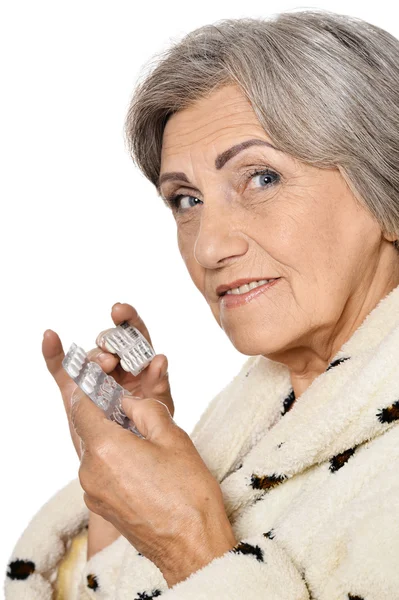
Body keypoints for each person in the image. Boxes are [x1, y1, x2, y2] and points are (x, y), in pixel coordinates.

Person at [5, 9, 399, 599]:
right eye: (186, 199)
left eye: (261, 178)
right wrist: (124, 489)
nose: (209, 246)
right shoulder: (259, 409)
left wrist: (191, 541)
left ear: (386, 190)